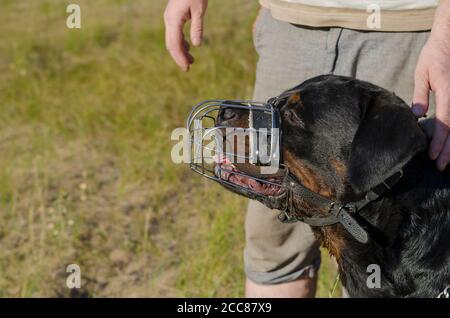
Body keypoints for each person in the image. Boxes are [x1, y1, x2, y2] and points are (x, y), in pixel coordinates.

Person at [164, 0, 450, 297]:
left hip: (411, 26)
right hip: (294, 20)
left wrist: (446, 37)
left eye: (292, 117)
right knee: (275, 250)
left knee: (390, 244)